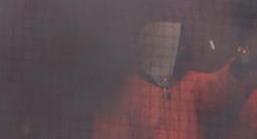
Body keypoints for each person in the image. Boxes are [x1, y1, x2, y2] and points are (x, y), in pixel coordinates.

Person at [90, 21, 253, 139]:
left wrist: (241, 63)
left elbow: (216, 86)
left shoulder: (187, 83)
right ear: (163, 49)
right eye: (181, 46)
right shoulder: (124, 95)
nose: (188, 51)